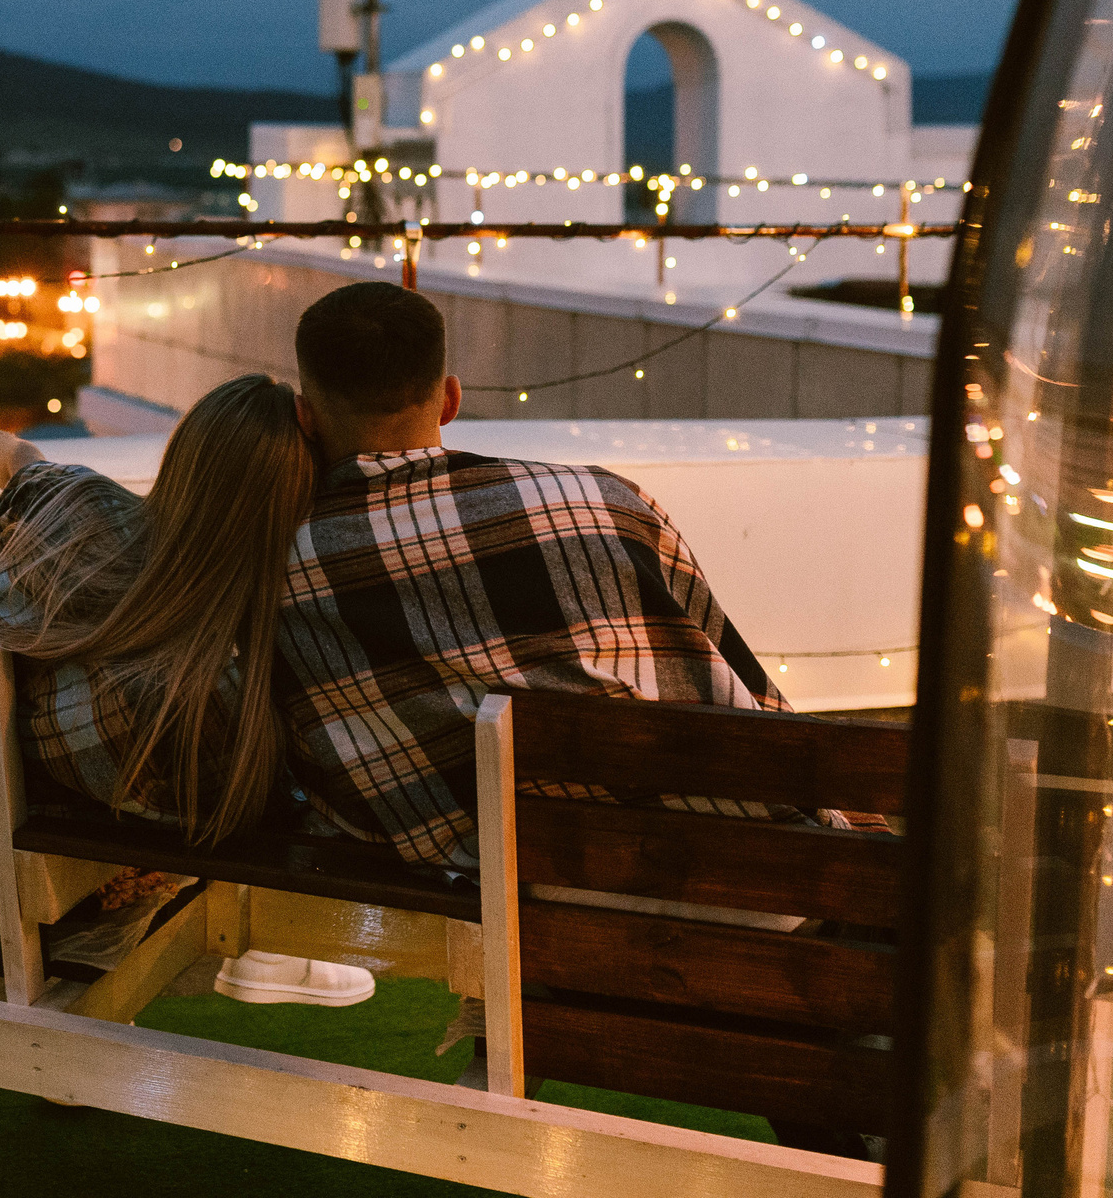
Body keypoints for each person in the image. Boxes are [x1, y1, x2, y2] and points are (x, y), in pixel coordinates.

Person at [277, 280, 800, 872]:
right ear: (449, 399)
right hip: (759, 868)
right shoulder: (602, 498)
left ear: (306, 418)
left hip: (531, 899)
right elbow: (732, 670)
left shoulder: (285, 568)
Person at [0, 377, 377, 1006]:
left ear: (184, 454)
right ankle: (275, 953)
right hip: (41, 911)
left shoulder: (73, 506)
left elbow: (22, 461)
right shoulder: (244, 662)